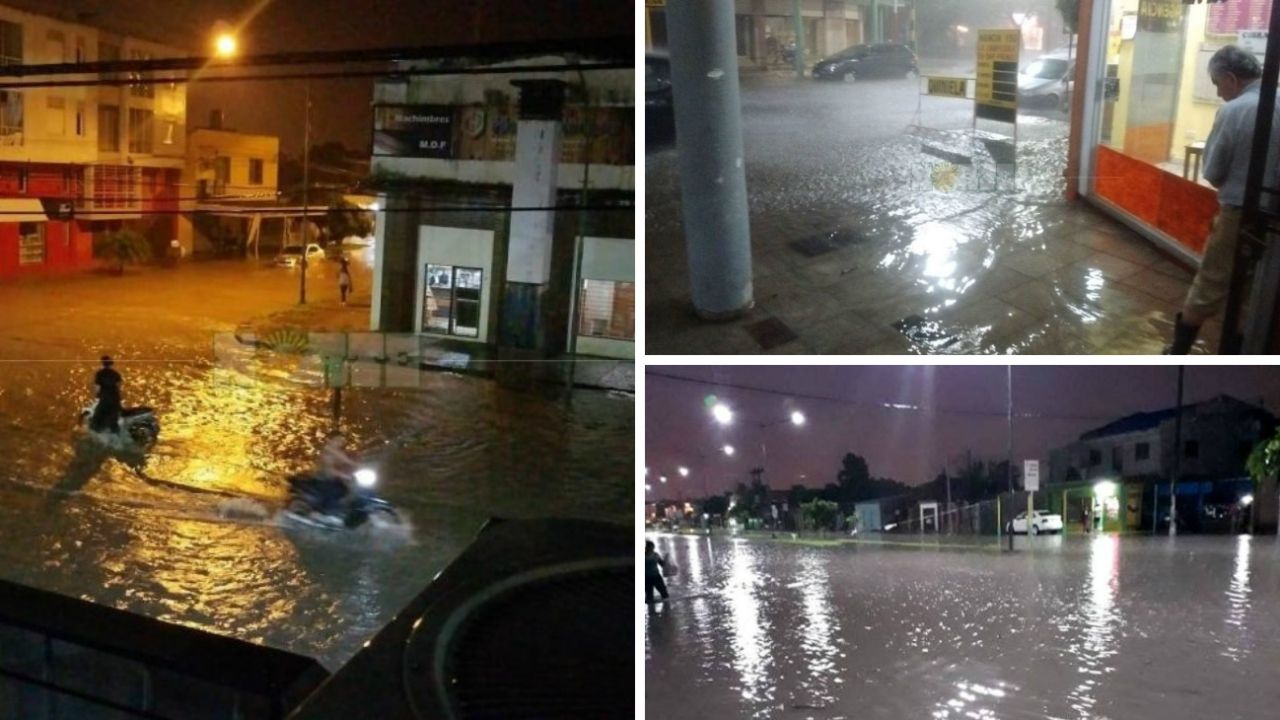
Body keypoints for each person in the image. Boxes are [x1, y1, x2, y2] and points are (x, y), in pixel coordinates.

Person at [1167, 45, 1280, 354]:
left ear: (1230, 78)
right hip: (1275, 215)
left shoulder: (1234, 111)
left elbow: (1214, 171)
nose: (1218, 94)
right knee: (1260, 289)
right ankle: (1245, 348)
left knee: (1210, 283)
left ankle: (1179, 350)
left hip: (1240, 215)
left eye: (1218, 85)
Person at [313, 431, 358, 513]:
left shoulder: (337, 451)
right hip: (323, 477)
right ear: (330, 440)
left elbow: (346, 460)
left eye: (341, 441)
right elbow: (329, 469)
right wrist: (343, 474)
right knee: (335, 491)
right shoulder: (328, 450)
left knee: (349, 489)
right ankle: (328, 512)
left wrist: (355, 465)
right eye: (337, 440)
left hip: (333, 477)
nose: (340, 443)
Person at [90, 355, 123, 434]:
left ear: (102, 363)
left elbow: (98, 386)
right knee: (114, 421)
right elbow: (118, 387)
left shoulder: (100, 373)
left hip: (105, 398)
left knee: (96, 419)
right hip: (115, 398)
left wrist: (98, 395)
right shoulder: (115, 373)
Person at [644, 540, 670, 606]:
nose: (652, 549)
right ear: (646, 547)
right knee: (649, 597)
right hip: (646, 578)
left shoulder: (655, 555)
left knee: (664, 594)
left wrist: (666, 560)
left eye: (652, 547)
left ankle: (666, 610)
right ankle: (651, 613)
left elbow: (662, 564)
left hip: (656, 576)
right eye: (650, 547)